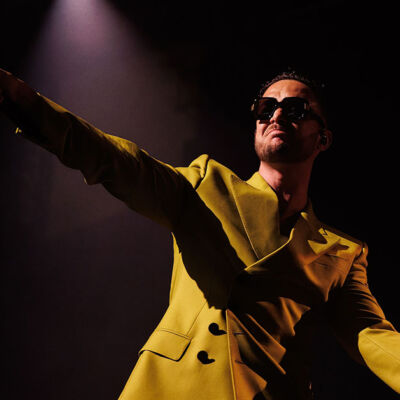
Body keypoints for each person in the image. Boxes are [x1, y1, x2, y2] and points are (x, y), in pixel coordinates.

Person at [0, 68, 399, 399]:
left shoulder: (343, 250)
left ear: (323, 138)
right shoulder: (207, 184)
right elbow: (119, 161)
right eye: (265, 107)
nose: (276, 116)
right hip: (175, 386)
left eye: (295, 108)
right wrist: (28, 104)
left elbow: (373, 337)